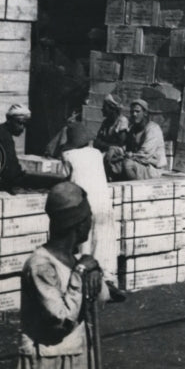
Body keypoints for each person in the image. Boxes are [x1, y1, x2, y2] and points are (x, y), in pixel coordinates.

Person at [11, 181, 109, 369]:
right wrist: (81, 274)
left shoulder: (76, 260)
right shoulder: (40, 265)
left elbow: (103, 296)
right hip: (49, 365)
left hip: (76, 359)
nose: (91, 223)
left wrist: (94, 269)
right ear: (78, 224)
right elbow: (61, 318)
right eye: (88, 218)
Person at [59, 121, 123, 301]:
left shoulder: (67, 154)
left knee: (85, 244)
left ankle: (86, 285)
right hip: (103, 204)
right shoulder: (96, 154)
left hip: (84, 205)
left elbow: (64, 179)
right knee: (104, 244)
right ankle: (109, 281)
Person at [0, 105, 60, 193]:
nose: (22, 128)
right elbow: (12, 173)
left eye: (25, 125)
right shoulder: (4, 137)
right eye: (20, 123)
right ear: (9, 120)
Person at [105, 99, 166, 180]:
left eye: (137, 111)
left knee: (128, 164)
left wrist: (128, 156)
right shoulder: (133, 128)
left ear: (145, 113)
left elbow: (145, 155)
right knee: (110, 158)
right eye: (132, 112)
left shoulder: (153, 129)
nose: (134, 114)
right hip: (138, 163)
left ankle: (135, 189)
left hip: (152, 168)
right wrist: (114, 150)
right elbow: (127, 148)